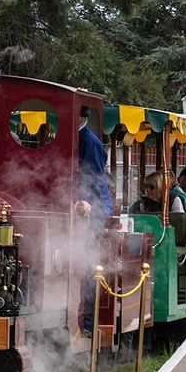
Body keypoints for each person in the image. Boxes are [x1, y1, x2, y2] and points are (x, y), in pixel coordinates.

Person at [75, 105, 114, 335]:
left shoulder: (89, 141)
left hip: (96, 208)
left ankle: (88, 323)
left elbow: (94, 177)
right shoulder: (77, 137)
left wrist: (85, 201)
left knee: (87, 259)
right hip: (77, 203)